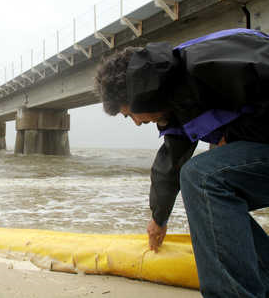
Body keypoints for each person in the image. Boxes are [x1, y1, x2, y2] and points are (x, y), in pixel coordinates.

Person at [94, 28, 269, 298]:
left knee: (203, 177)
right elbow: (170, 163)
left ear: (140, 95)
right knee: (209, 188)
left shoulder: (205, 65)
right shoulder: (176, 102)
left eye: (131, 116)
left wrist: (236, 136)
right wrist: (158, 219)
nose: (138, 123)